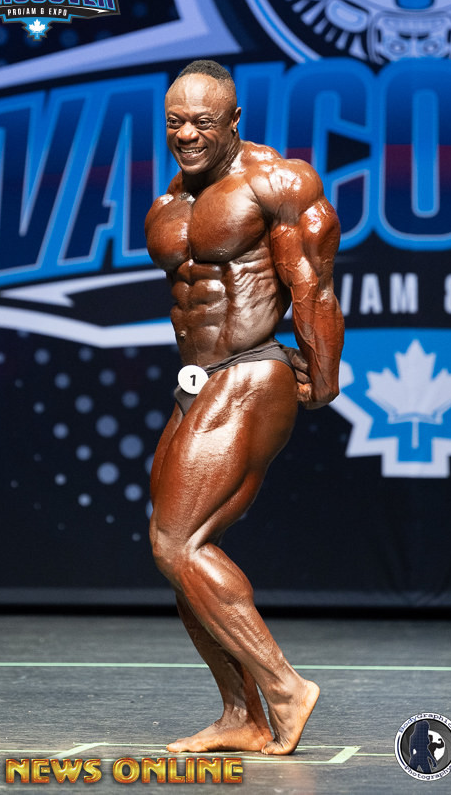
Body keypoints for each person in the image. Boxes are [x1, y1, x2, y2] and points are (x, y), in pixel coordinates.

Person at [144, 59, 344, 755]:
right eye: (175, 122)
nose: (187, 135)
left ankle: (284, 688)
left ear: (234, 120)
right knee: (179, 552)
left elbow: (312, 282)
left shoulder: (277, 181)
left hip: (253, 370)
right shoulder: (171, 199)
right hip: (198, 380)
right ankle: (243, 716)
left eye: (202, 122)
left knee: (178, 542)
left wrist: (324, 372)